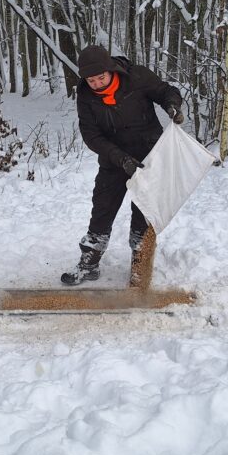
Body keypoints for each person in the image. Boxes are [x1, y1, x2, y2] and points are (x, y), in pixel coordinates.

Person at [62, 45, 184, 286]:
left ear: (110, 69)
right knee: (102, 210)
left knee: (143, 213)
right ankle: (89, 263)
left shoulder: (136, 77)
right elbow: (91, 134)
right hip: (114, 158)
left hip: (149, 155)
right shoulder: (85, 95)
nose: (96, 83)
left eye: (101, 77)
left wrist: (172, 106)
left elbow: (165, 91)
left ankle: (140, 269)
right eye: (91, 80)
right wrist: (120, 158)